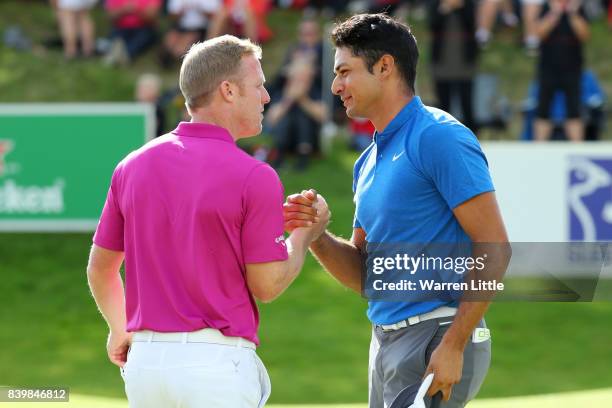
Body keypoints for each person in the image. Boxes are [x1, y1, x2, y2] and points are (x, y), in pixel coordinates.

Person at [284, 13, 510, 408]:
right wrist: (317, 234)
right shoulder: (366, 161)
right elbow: (368, 277)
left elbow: (494, 246)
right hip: (385, 341)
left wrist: (454, 345)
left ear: (384, 67)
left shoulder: (439, 136)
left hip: (438, 334)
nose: (336, 86)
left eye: (344, 72)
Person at [87, 35, 325, 408]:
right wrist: (304, 234)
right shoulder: (255, 176)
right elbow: (267, 284)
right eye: (259, 85)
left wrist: (120, 329)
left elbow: (100, 270)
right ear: (228, 90)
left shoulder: (131, 166)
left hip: (146, 368)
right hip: (215, 367)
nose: (266, 96)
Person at [266, 18, 327, 170]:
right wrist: (290, 98)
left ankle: (301, 157)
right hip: (286, 138)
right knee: (288, 115)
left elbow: (323, 116)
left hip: (309, 139)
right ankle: (280, 155)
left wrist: (302, 98)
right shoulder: (284, 90)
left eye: (304, 75)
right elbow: (271, 120)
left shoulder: (316, 87)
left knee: (303, 115)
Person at [534, 0, 590, 141]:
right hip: (548, 66)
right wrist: (555, 13)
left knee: (574, 109)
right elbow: (539, 33)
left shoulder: (578, 8)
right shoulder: (546, 7)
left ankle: (577, 147)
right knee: (543, 109)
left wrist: (573, 14)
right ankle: (538, 148)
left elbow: (584, 35)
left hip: (572, 67)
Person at [428, 0, 479, 133]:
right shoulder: (435, 4)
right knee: (443, 104)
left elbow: (472, 24)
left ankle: (472, 134)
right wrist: (444, 9)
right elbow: (433, 25)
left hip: (464, 60)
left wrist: (460, 7)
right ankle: (443, 134)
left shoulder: (468, 4)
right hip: (442, 60)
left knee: (466, 102)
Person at [104, 0, 162, 65]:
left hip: (144, 29)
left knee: (141, 38)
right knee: (115, 39)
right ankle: (118, 55)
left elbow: (152, 16)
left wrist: (136, 9)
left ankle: (122, 55)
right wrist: (124, 9)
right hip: (120, 28)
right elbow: (109, 16)